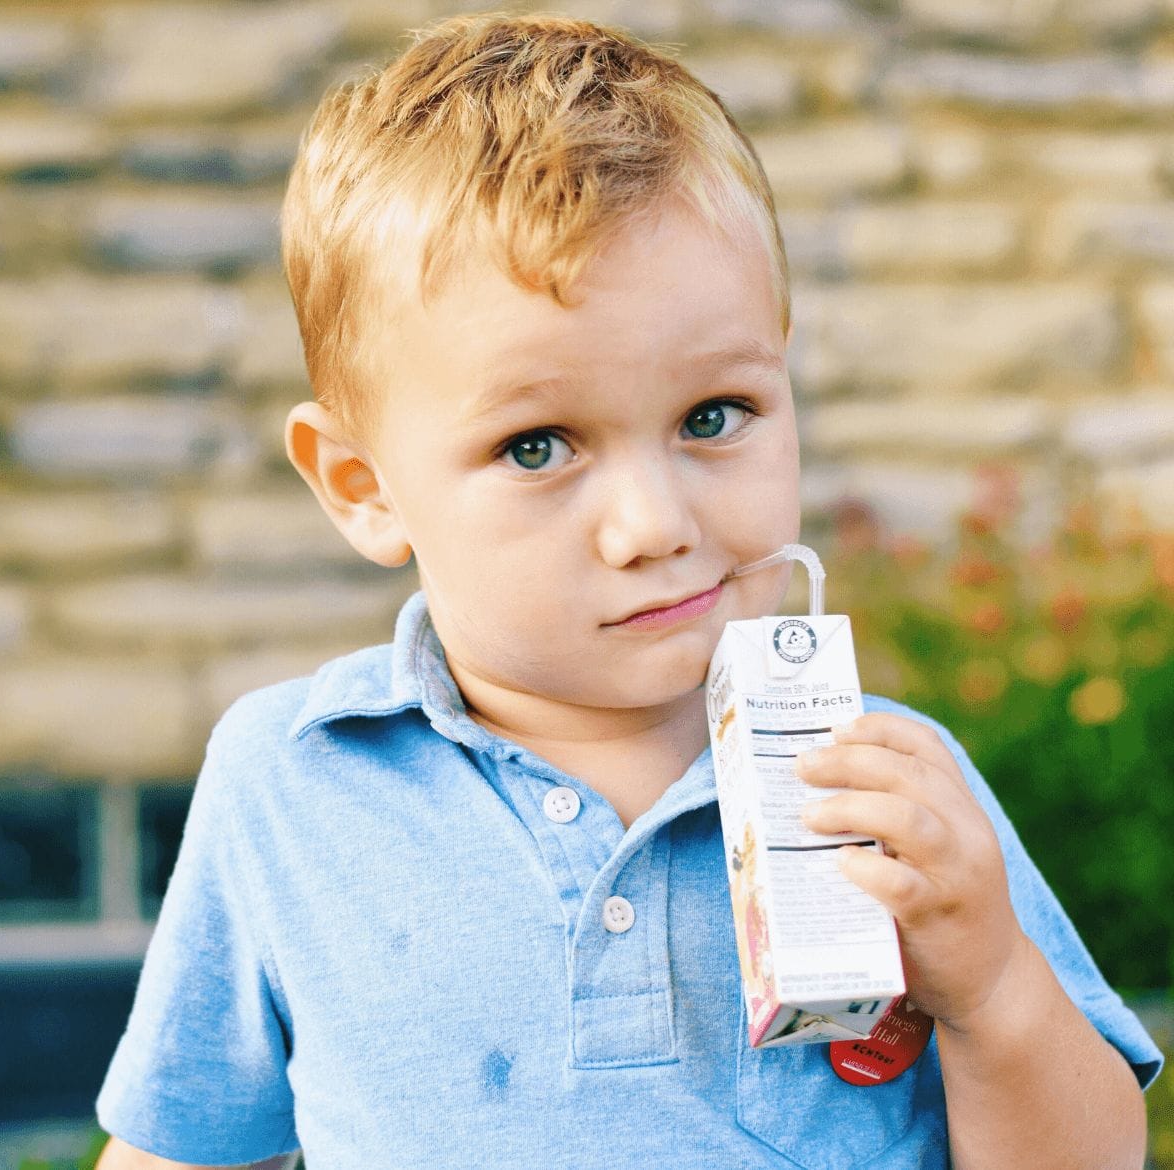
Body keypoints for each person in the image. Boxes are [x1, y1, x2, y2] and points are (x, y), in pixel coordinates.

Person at [93, 13, 1161, 1168]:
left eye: (715, 418)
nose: (656, 525)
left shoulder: (883, 791)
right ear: (365, 487)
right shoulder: (293, 786)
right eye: (539, 445)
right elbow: (179, 1151)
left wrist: (995, 985)